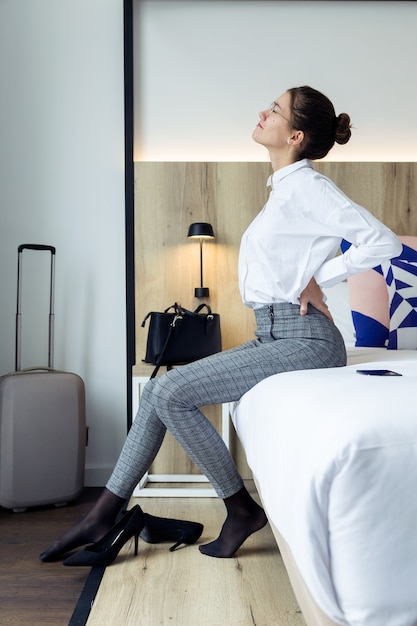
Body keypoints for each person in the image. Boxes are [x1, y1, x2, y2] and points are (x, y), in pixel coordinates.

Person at [40, 86, 402, 565]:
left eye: (274, 109)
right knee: (156, 392)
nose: (262, 111)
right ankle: (103, 513)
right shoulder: (283, 193)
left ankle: (238, 509)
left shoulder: (310, 188)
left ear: (295, 135)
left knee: (170, 393)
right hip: (271, 332)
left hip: (308, 339)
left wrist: (320, 277)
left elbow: (383, 243)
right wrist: (307, 276)